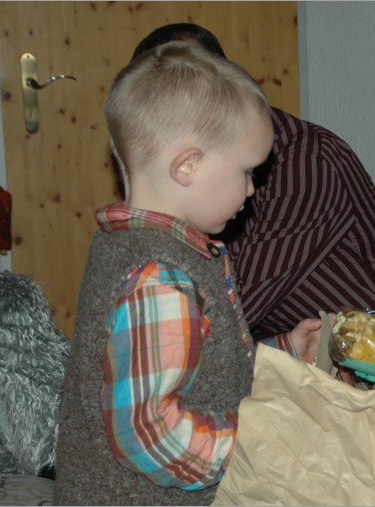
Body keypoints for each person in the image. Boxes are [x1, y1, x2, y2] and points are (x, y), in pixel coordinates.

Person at [54, 42, 325, 505]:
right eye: (246, 172)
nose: (253, 189)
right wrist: (264, 441)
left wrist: (280, 353)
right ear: (187, 166)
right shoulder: (160, 278)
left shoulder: (139, 247)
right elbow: (149, 432)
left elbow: (199, 366)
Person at [131, 24, 375, 338]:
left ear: (228, 81)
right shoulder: (194, 174)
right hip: (306, 352)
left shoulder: (304, 159)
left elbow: (238, 305)